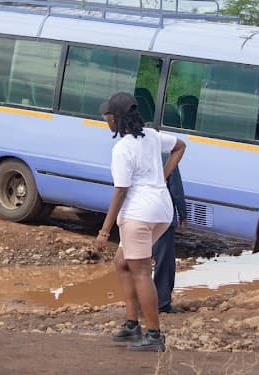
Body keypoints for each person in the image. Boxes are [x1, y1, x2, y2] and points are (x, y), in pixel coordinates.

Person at [96, 92, 185, 352]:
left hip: (139, 213)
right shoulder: (152, 135)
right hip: (162, 211)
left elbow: (121, 190)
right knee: (122, 262)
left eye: (107, 116)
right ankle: (132, 324)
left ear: (116, 119)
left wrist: (104, 230)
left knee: (142, 272)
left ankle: (154, 335)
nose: (105, 119)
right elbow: (180, 146)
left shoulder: (122, 148)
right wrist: (162, 176)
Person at [151, 127, 187, 315]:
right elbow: (176, 187)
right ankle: (161, 303)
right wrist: (183, 213)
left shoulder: (131, 153)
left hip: (138, 215)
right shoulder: (167, 157)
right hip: (162, 216)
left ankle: (139, 303)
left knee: (138, 261)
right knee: (164, 261)